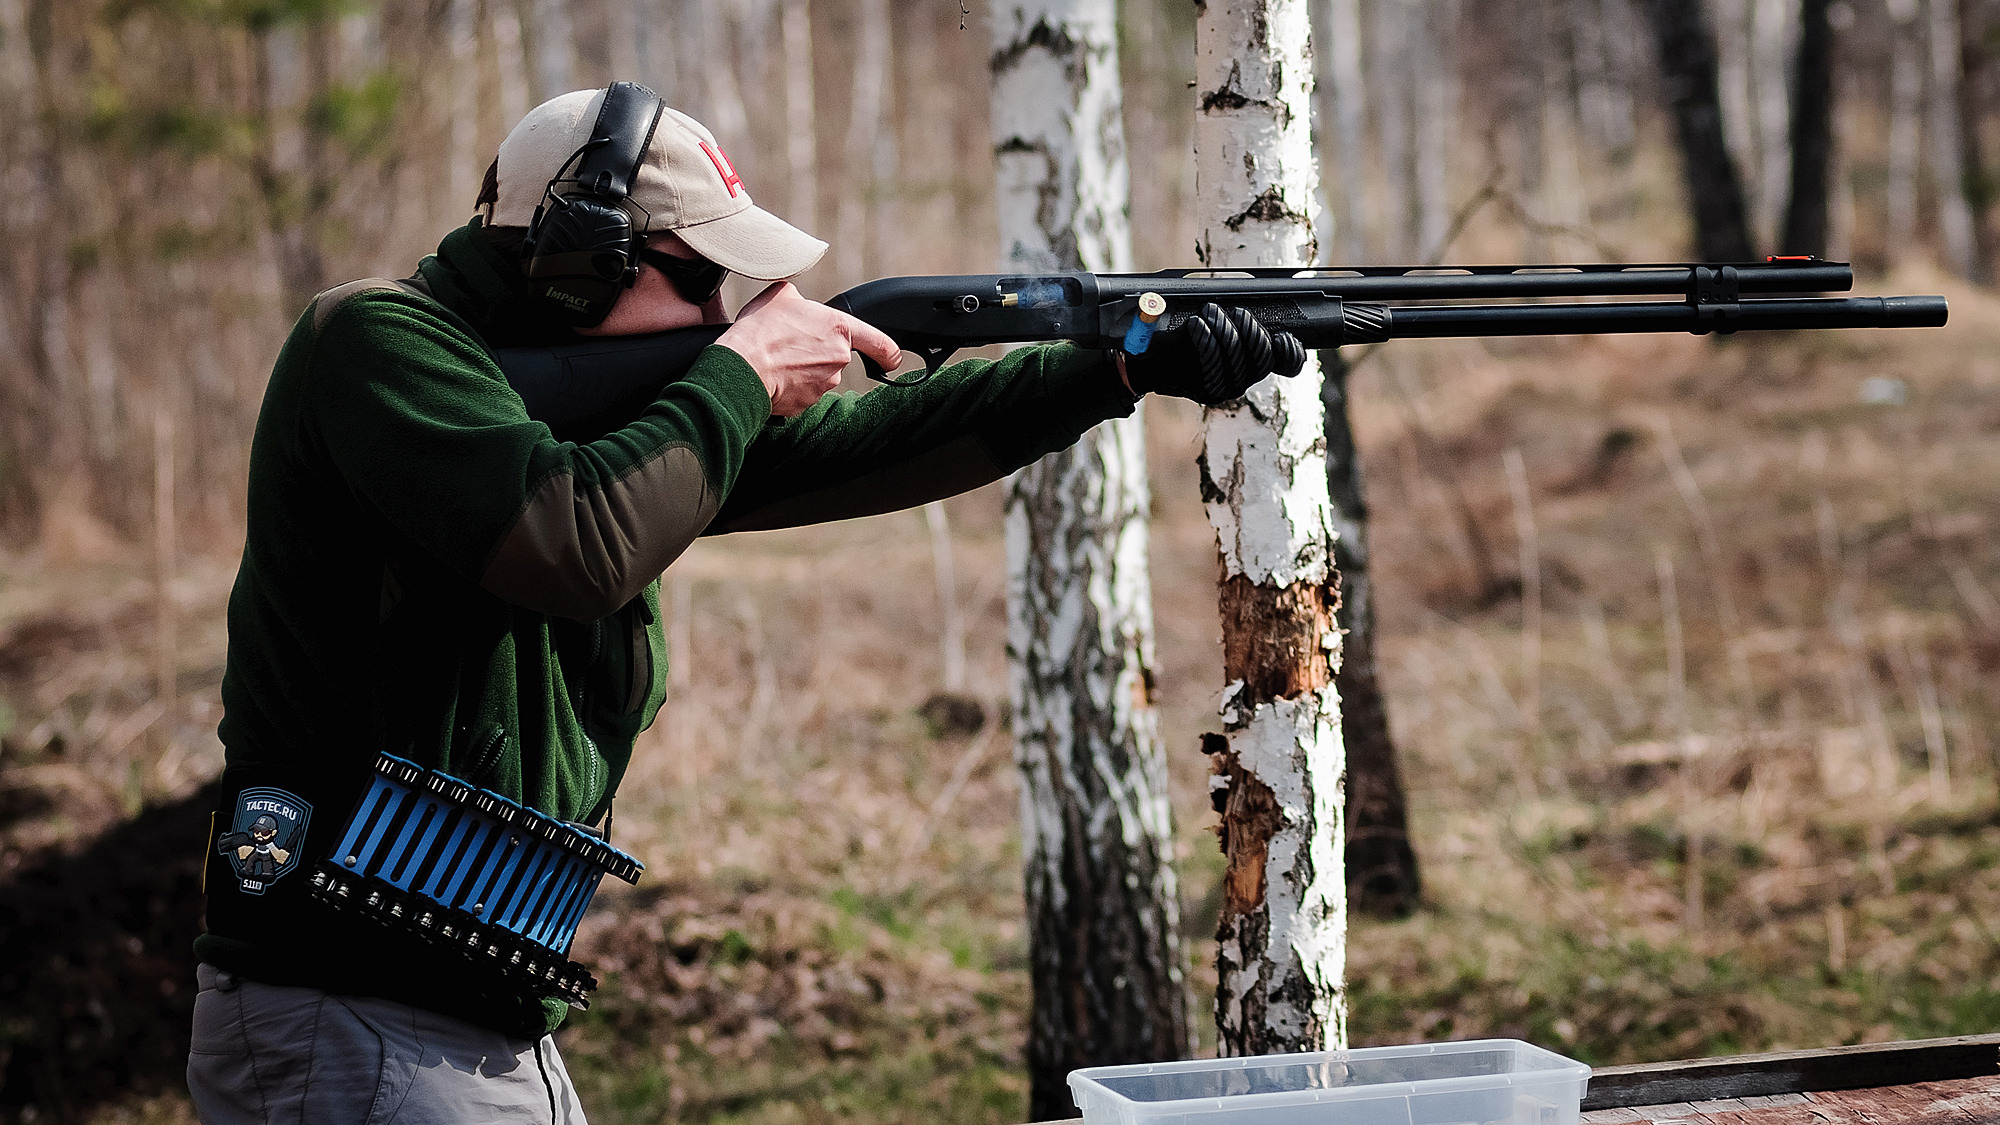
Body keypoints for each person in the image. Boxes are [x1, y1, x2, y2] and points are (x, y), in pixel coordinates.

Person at [186, 82, 1304, 1123]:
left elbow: (868, 445)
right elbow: (571, 545)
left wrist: (1111, 372)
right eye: (701, 276)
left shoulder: (608, 412)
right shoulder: (373, 343)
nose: (731, 308)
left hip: (469, 1000)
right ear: (580, 263)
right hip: (351, 1002)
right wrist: (737, 375)